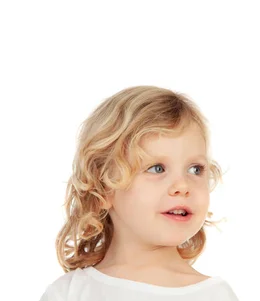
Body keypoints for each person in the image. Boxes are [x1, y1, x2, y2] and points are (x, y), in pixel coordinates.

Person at [41, 86, 238, 301]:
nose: (182, 185)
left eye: (195, 169)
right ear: (103, 189)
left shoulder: (214, 295)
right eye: (157, 168)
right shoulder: (68, 293)